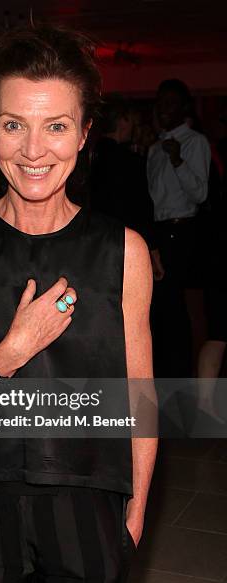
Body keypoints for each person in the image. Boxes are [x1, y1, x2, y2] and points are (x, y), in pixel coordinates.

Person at [0, 25, 156, 583]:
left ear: (84, 133)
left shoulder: (123, 252)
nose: (33, 150)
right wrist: (7, 355)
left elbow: (140, 396)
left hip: (88, 501)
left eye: (56, 126)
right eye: (14, 124)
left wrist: (136, 510)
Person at [147, 79, 211, 377]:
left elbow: (200, 194)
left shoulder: (195, 142)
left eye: (170, 102)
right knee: (159, 309)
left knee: (177, 311)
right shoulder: (154, 147)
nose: (163, 109)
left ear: (183, 107)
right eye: (160, 102)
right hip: (159, 233)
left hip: (183, 232)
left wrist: (177, 160)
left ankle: (181, 377)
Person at [89, 93, 156, 252]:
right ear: (123, 120)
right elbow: (141, 208)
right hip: (124, 242)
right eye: (134, 121)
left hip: (96, 239)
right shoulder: (129, 160)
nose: (135, 127)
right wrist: (152, 247)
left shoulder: (90, 154)